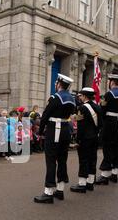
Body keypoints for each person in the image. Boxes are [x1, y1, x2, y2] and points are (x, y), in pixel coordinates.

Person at [34, 74, 76, 204]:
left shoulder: (55, 97)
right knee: (62, 160)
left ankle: (48, 192)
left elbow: (45, 116)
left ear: (58, 83)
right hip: (65, 130)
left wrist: (40, 132)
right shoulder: (71, 99)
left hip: (55, 130)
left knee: (51, 161)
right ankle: (60, 190)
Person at [95, 74, 118, 185]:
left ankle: (105, 175)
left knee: (107, 147)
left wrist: (101, 122)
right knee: (116, 147)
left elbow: (102, 109)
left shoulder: (109, 94)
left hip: (110, 123)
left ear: (112, 82)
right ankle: (114, 173)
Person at [70, 88, 102, 193]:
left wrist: (78, 139)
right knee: (93, 159)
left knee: (83, 160)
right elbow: (101, 124)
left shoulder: (82, 108)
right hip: (95, 137)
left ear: (84, 96)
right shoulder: (98, 107)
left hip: (85, 138)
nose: (79, 97)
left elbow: (81, 126)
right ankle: (90, 182)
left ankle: (82, 184)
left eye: (81, 95)